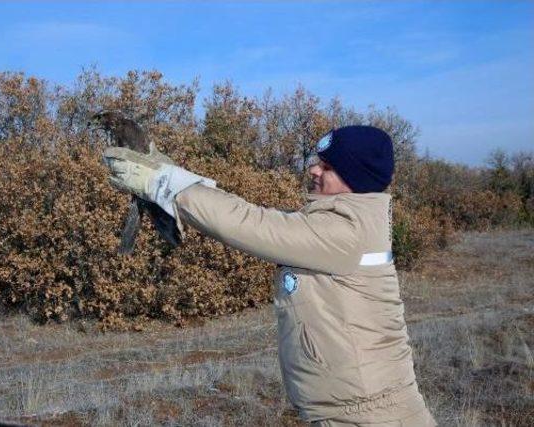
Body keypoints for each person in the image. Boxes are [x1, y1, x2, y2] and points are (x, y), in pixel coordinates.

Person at [103, 125, 436, 426]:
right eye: (318, 161)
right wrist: (177, 176)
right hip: (358, 409)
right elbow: (260, 218)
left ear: (356, 178)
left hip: (373, 416)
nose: (313, 169)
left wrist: (165, 185)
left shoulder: (346, 232)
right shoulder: (343, 223)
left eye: (328, 167)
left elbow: (253, 225)